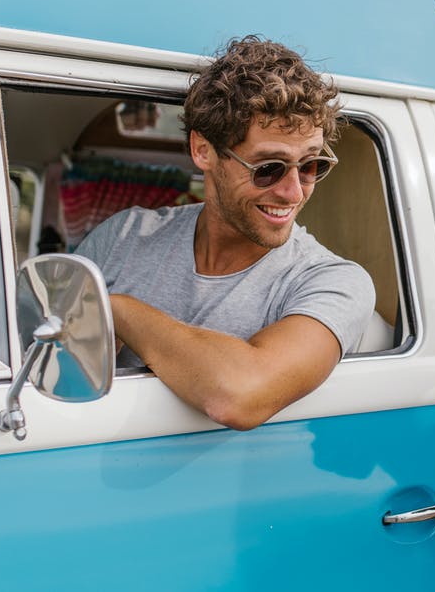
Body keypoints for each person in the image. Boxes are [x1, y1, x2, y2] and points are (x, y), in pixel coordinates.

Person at [76, 36, 375, 431]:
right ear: (203, 151)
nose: (294, 191)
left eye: (311, 166)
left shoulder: (333, 282)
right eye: (269, 167)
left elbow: (240, 396)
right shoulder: (123, 237)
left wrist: (117, 309)